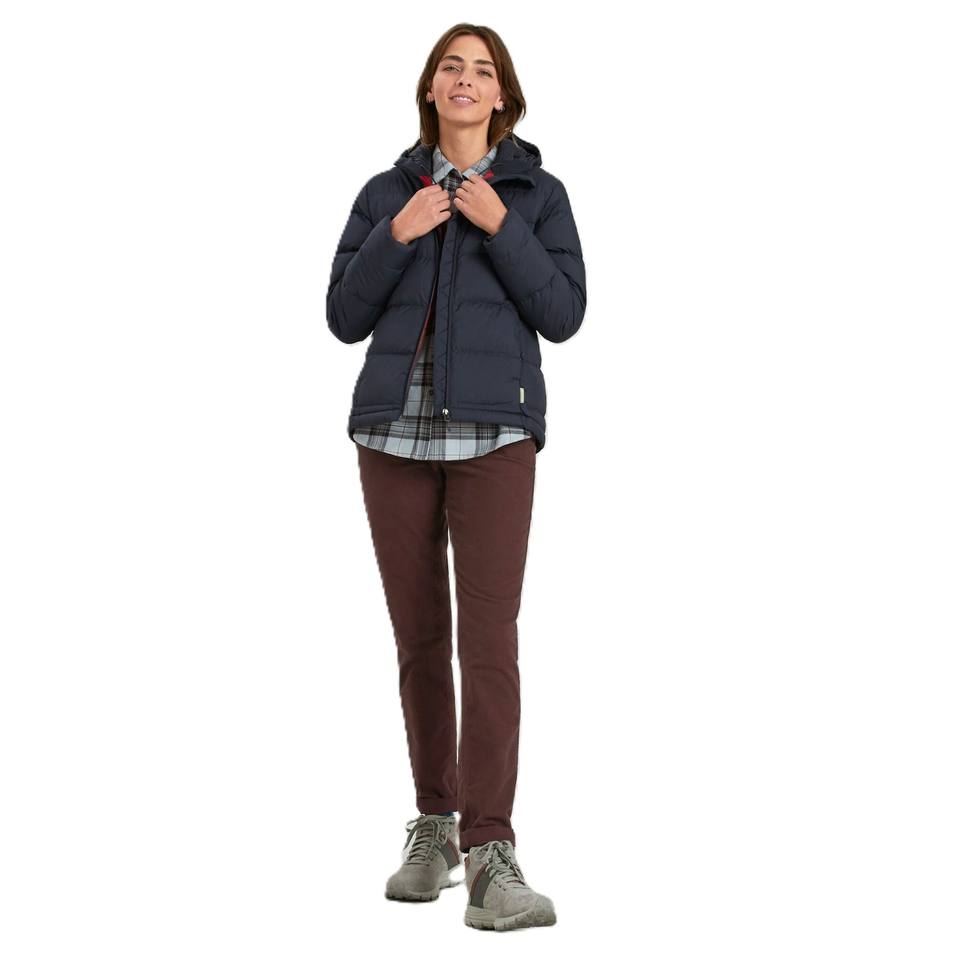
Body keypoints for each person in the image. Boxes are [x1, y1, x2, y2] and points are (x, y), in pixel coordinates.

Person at [326, 23, 586, 932]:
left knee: (489, 643)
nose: (465, 79)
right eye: (451, 67)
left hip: (496, 435)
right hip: (390, 435)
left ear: (502, 95)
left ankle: (490, 851)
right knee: (418, 640)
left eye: (482, 69)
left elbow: (564, 312)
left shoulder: (538, 196)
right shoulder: (383, 193)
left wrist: (500, 225)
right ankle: (434, 824)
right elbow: (343, 314)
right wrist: (396, 234)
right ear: (431, 89)